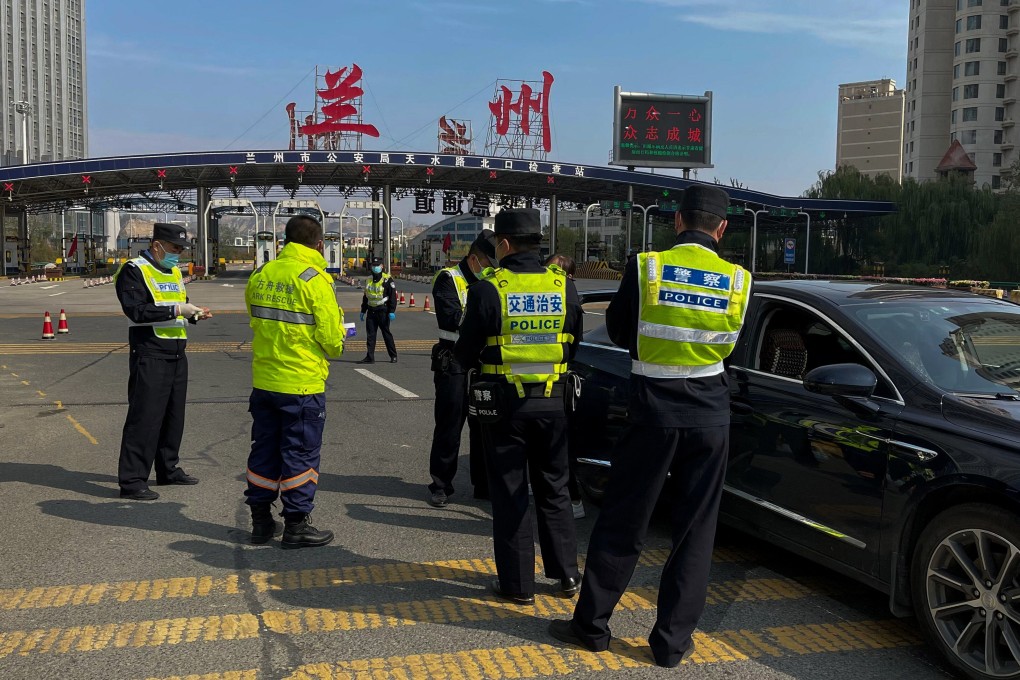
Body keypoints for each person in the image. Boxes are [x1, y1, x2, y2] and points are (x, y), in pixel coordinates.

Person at [547, 185, 751, 667]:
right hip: (710, 413)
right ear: (721, 229)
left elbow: (618, 330)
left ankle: (591, 626)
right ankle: (671, 645)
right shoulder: (739, 280)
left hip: (652, 409)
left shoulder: (648, 267)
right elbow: (732, 346)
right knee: (696, 531)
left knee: (624, 519)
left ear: (677, 221)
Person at [455, 208, 583, 604]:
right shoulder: (564, 286)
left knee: (511, 493)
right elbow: (573, 340)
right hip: (554, 403)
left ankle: (517, 586)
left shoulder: (488, 289)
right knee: (554, 488)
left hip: (505, 409)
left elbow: (464, 353)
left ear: (505, 244)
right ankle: (566, 577)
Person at [243, 215, 345, 548]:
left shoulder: (261, 274)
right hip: (301, 383)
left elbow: (255, 318)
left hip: (265, 380)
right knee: (300, 454)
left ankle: (260, 522)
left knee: (265, 451)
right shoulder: (314, 279)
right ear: (319, 245)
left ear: (285, 240)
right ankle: (296, 526)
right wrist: (339, 339)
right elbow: (332, 340)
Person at [114, 223, 211, 501]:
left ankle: (168, 469)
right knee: (145, 418)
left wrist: (192, 314)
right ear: (157, 245)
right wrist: (178, 309)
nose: (178, 255)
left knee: (173, 415)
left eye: (181, 249)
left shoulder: (174, 272)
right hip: (150, 352)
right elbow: (136, 310)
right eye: (174, 249)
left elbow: (179, 305)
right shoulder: (134, 270)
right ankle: (132, 481)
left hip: (177, 351)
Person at [426, 231, 497, 508]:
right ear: (474, 258)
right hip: (453, 361)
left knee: (484, 426)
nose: (491, 269)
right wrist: (483, 317)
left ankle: (484, 485)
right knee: (450, 424)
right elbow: (452, 318)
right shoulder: (448, 279)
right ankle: (441, 485)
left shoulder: (492, 282)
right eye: (488, 264)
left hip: (482, 363)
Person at [544, 253, 584, 520]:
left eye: (557, 273)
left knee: (561, 444)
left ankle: (574, 498)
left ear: (569, 278)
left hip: (558, 381)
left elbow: (575, 344)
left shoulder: (570, 301)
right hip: (536, 382)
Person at [357, 257, 398, 364]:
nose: (375, 267)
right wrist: (363, 310)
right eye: (374, 265)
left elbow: (392, 296)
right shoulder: (368, 279)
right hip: (371, 311)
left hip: (383, 310)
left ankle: (393, 356)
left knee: (386, 334)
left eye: (377, 265)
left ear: (382, 266)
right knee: (370, 335)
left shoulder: (387, 279)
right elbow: (366, 296)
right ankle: (370, 357)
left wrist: (392, 311)